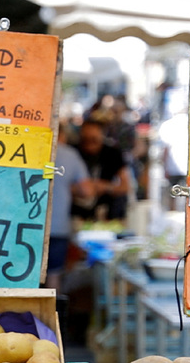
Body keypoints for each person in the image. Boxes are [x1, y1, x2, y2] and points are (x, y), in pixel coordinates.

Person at [46, 135, 93, 291]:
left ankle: (19, 316)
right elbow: (87, 191)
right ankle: (53, 314)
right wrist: (68, 187)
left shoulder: (26, 146)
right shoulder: (69, 154)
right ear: (63, 135)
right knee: (53, 277)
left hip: (24, 225)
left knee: (20, 277)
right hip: (57, 225)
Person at [72, 118, 132, 223]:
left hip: (107, 215)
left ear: (102, 136)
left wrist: (105, 187)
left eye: (94, 140)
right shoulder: (73, 152)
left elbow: (125, 186)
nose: (89, 145)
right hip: (77, 214)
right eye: (85, 140)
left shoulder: (113, 154)